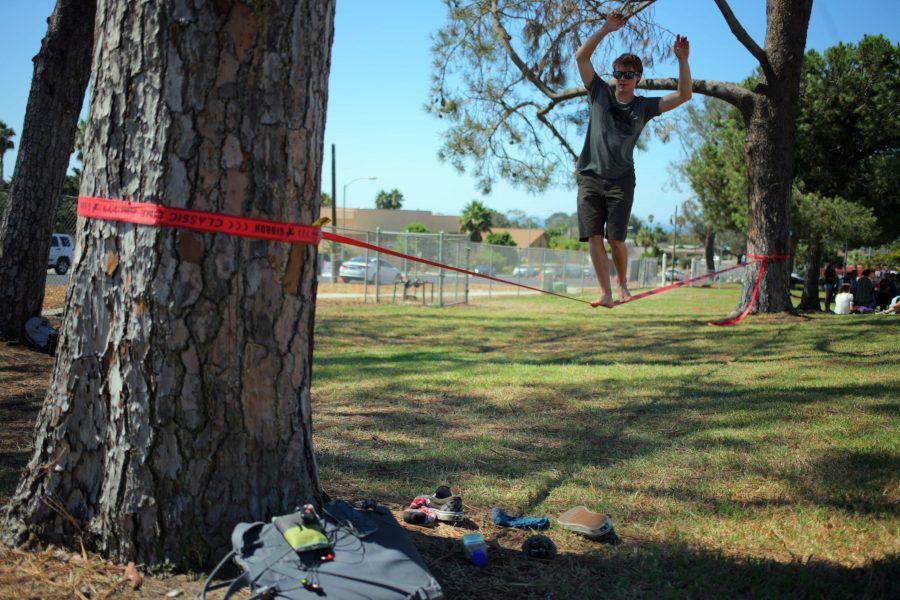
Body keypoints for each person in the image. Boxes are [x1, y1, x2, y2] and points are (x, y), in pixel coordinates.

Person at [574, 13, 692, 308]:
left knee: (615, 239)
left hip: (621, 180)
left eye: (628, 75)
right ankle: (605, 293)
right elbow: (581, 57)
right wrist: (605, 29)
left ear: (638, 78)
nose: (622, 79)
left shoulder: (645, 106)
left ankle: (622, 284)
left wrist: (682, 60)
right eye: (618, 73)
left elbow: (685, 94)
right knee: (593, 236)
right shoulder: (599, 92)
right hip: (589, 175)